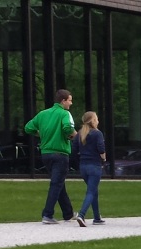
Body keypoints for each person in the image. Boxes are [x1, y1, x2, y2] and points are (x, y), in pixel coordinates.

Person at [24, 89, 76, 224]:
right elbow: (67, 128)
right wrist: (72, 136)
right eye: (69, 100)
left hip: (46, 153)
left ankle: (68, 213)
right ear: (63, 101)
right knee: (56, 183)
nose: (71, 103)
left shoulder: (42, 114)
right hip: (60, 153)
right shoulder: (65, 113)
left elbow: (28, 128)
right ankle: (47, 214)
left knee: (59, 183)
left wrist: (40, 133)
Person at [73, 111, 106, 226]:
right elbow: (101, 149)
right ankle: (81, 215)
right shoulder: (97, 133)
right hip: (94, 165)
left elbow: (74, 150)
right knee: (91, 191)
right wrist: (104, 159)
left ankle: (97, 217)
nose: (98, 121)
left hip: (83, 166)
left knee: (93, 190)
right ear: (92, 121)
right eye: (96, 119)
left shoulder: (80, 134)